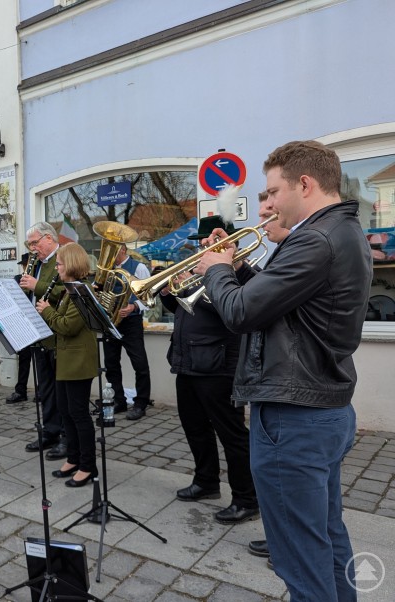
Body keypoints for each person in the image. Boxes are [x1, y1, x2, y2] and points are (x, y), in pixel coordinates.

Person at [194, 140, 372, 601]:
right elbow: (285, 306)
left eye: (273, 191)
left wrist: (216, 269)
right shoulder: (342, 231)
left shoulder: (314, 238)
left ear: (305, 184)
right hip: (321, 407)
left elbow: (238, 313)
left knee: (298, 560)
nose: (267, 204)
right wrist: (235, 267)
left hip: (293, 417)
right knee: (325, 538)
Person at [160, 216, 258, 525]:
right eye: (202, 243)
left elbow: (236, 308)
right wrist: (168, 292)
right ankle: (206, 481)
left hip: (219, 365)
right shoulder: (198, 269)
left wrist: (215, 275)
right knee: (194, 427)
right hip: (186, 360)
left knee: (231, 434)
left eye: (211, 242)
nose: (204, 247)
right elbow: (182, 308)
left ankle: (246, 498)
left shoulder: (237, 273)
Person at [247, 190, 292, 562]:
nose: (262, 215)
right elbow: (260, 288)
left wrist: (217, 270)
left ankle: (285, 544)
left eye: (271, 201)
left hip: (287, 392)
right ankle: (280, 538)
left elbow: (245, 308)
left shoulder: (305, 247)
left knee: (288, 492)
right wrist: (233, 268)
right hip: (276, 385)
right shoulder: (285, 251)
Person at [36, 243, 98, 487]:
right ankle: (73, 457)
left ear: (71, 264)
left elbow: (67, 326)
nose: (57, 268)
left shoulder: (83, 291)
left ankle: (88, 465)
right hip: (65, 361)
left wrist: (47, 311)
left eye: (59, 264)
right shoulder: (68, 290)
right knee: (65, 410)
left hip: (78, 362)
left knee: (79, 414)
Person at [20, 222, 66, 460]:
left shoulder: (64, 258)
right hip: (38, 333)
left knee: (62, 390)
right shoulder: (36, 263)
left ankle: (67, 437)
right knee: (45, 388)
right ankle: (50, 432)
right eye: (30, 245)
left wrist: (36, 285)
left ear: (49, 238)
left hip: (58, 334)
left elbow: (65, 291)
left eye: (35, 243)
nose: (33, 248)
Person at [101, 243, 153, 420]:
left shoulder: (138, 267)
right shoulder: (106, 269)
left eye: (112, 250)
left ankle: (141, 403)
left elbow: (149, 295)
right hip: (111, 322)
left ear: (123, 250)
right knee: (111, 363)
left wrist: (133, 306)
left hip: (131, 322)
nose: (108, 254)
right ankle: (118, 400)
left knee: (140, 363)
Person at [5, 253, 32, 404]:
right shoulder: (17, 279)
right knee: (23, 359)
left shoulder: (37, 280)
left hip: (39, 322)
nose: (25, 267)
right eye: (24, 265)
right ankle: (20, 390)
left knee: (41, 360)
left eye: (27, 264)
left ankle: (42, 390)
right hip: (23, 324)